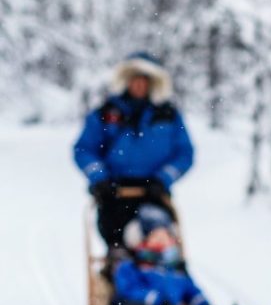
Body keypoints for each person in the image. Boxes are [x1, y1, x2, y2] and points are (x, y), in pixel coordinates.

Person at [73, 52, 194, 248]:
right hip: (114, 191)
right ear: (126, 81)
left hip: (154, 191)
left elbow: (184, 153)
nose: (139, 85)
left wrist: (163, 178)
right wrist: (99, 177)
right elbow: (84, 149)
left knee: (159, 235)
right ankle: (123, 265)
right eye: (135, 79)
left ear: (152, 83)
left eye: (144, 80)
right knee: (119, 237)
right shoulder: (106, 113)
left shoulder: (168, 115)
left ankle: (159, 266)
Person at [109, 205, 212, 305]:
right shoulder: (131, 266)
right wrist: (156, 301)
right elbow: (127, 290)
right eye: (155, 236)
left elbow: (190, 289)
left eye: (165, 235)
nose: (162, 240)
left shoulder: (176, 269)